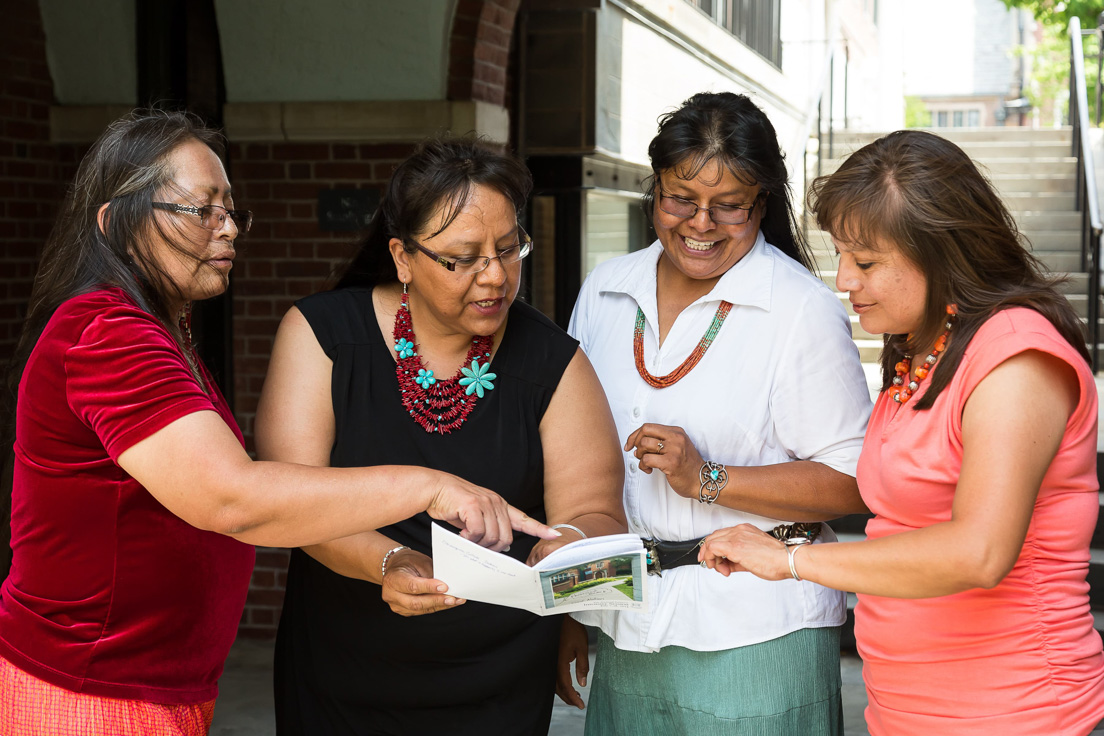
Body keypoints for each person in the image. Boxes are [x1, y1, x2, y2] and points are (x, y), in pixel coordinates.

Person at [0, 111, 558, 736]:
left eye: (231, 210)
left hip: (146, 687)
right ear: (115, 222)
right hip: (88, 690)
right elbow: (233, 498)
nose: (229, 229)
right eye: (201, 210)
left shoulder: (155, 329)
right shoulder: (107, 332)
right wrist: (430, 486)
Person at [699, 129, 1104, 735]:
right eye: (839, 255)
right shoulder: (924, 346)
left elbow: (979, 552)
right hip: (910, 705)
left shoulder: (1016, 359)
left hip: (1012, 707)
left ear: (942, 252)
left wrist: (790, 560)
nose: (843, 280)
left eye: (864, 262)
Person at [254, 136, 626, 735]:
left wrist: (572, 545)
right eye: (463, 258)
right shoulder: (322, 336)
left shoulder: (553, 362)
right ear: (403, 257)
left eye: (510, 249)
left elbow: (597, 509)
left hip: (499, 681)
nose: (495, 276)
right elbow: (289, 501)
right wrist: (392, 560)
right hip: (345, 676)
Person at [559, 91, 872, 734]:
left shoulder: (799, 309)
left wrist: (708, 478)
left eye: (729, 206)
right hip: (626, 616)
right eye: (681, 199)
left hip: (758, 628)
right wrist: (566, 612)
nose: (700, 224)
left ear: (761, 204)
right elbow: (570, 463)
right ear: (655, 191)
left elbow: (851, 480)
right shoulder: (606, 290)